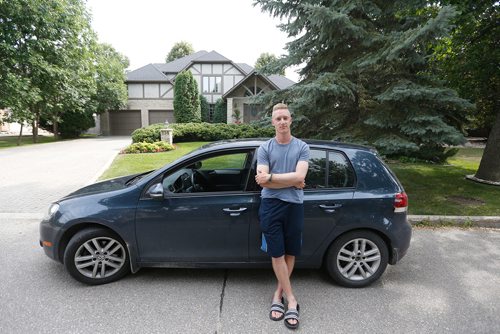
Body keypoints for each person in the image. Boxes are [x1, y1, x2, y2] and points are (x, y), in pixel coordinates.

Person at [255, 103, 309, 330]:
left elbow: (300, 176)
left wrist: (271, 178)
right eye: (278, 119)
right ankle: (292, 300)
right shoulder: (265, 148)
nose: (282, 122)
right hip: (270, 205)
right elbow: (261, 178)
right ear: (273, 122)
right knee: (276, 253)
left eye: (285, 118)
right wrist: (292, 180)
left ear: (291, 120)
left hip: (294, 206)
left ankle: (278, 295)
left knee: (290, 251)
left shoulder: (302, 147)